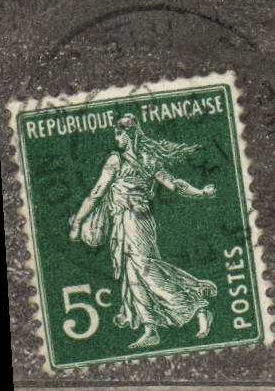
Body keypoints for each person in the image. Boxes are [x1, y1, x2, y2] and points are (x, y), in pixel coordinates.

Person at [68, 114, 218, 348]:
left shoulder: (116, 160)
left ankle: (196, 306)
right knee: (133, 274)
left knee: (145, 270)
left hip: (134, 221)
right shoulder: (149, 158)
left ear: (126, 135)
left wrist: (78, 222)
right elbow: (175, 184)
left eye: (118, 134)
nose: (116, 138)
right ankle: (150, 328)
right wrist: (200, 193)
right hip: (129, 222)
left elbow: (97, 192)